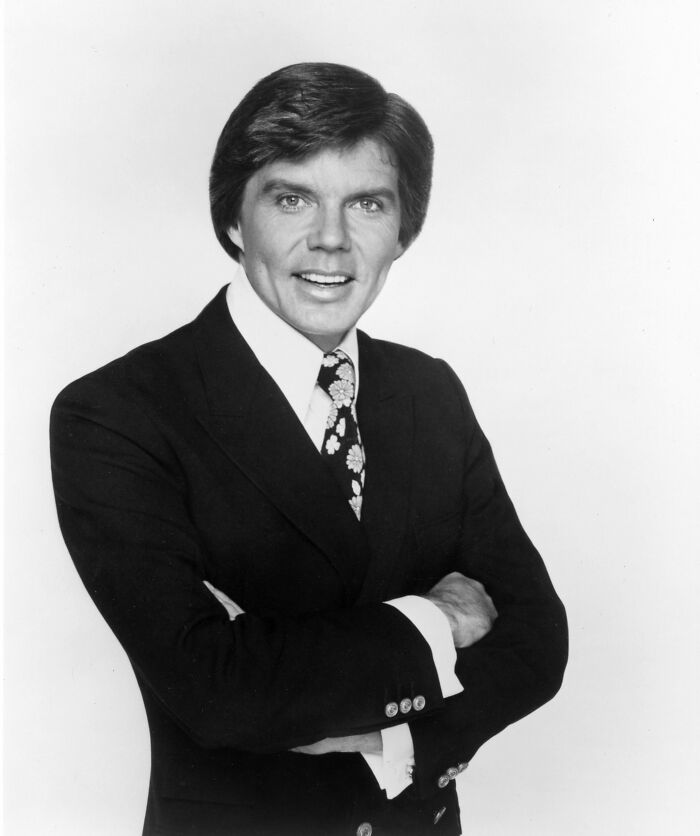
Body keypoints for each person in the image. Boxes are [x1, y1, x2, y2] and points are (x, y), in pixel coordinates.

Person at [50, 62, 568, 836]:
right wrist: (437, 621)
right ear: (234, 219)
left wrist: (401, 742)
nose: (330, 239)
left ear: (403, 230)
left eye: (366, 203)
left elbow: (537, 640)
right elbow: (217, 691)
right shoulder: (118, 413)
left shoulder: (430, 393)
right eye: (291, 197)